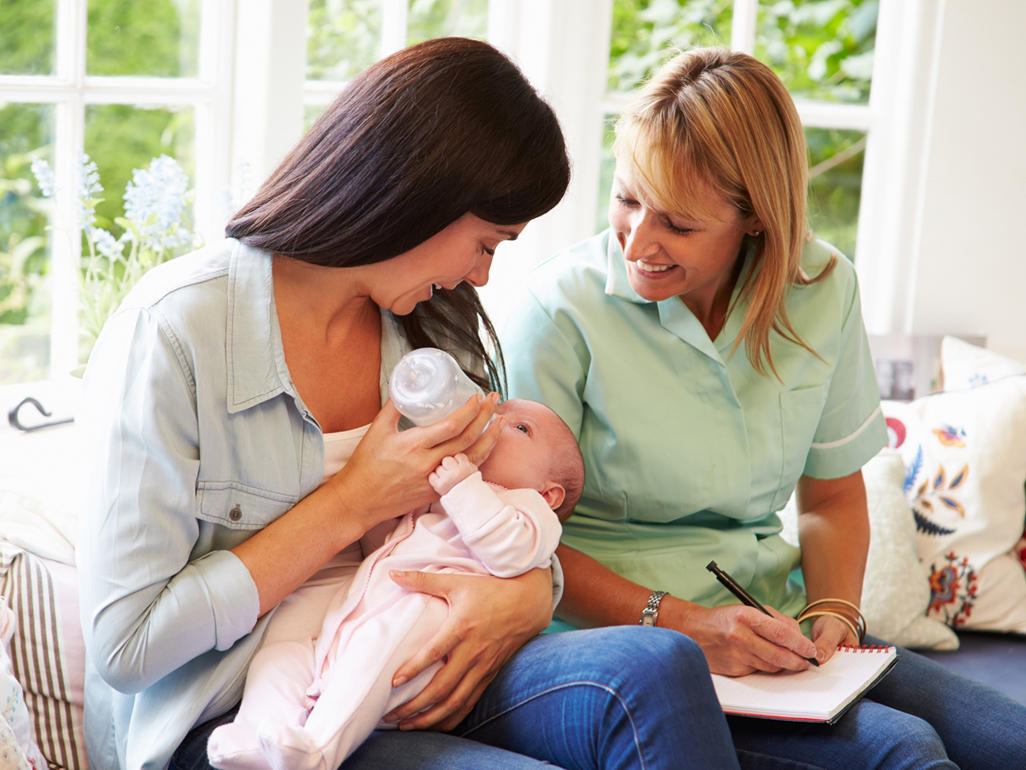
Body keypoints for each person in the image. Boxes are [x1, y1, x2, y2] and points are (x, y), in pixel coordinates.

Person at [77, 37, 742, 770]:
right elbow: (127, 646)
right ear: (418, 194)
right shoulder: (179, 331)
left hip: (414, 653)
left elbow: (507, 507)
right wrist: (351, 504)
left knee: (660, 665)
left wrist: (527, 595)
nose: (482, 277)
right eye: (486, 243)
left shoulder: (434, 324)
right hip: (253, 712)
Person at [501, 46, 1026, 769]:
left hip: (771, 624)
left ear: (754, 218)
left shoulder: (822, 289)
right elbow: (518, 541)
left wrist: (835, 614)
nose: (639, 241)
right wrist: (688, 624)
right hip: (609, 640)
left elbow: (832, 494)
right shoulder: (557, 311)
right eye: (626, 198)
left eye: (678, 225)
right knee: (905, 753)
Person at [206, 398, 583, 770]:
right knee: (282, 658)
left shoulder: (529, 509)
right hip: (354, 623)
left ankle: (318, 752)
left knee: (376, 645)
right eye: (496, 414)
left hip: (421, 644)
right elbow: (381, 540)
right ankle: (254, 737)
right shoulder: (443, 493)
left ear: (550, 493)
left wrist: (464, 487)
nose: (494, 424)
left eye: (520, 428)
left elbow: (511, 553)